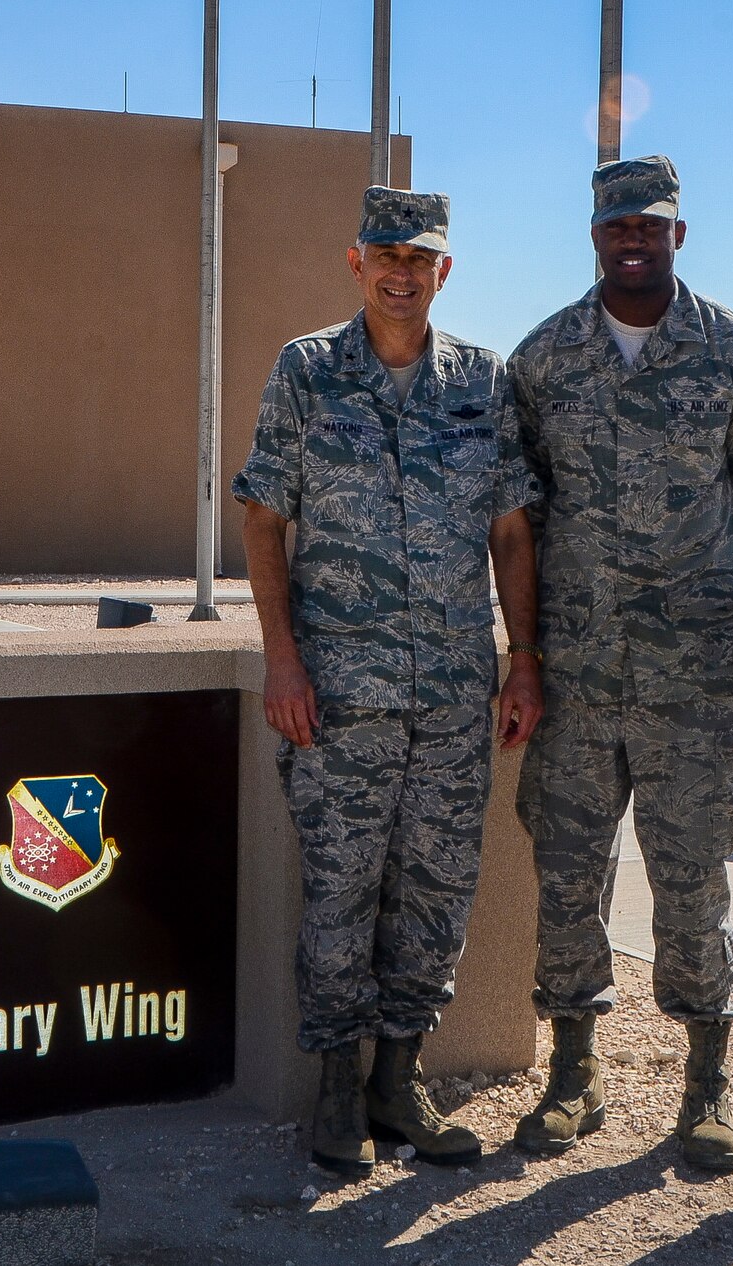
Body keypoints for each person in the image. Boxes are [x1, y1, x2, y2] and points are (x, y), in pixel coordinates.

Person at [232, 186, 544, 1177]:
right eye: (384, 254)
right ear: (354, 261)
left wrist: (521, 660)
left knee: (436, 891)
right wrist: (281, 657)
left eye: (419, 257)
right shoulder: (306, 371)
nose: (401, 271)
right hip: (338, 696)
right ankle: (334, 1091)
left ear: (442, 270)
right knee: (339, 893)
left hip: (453, 696)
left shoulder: (481, 381)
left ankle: (396, 1081)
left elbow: (508, 529)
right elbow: (262, 519)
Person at [507, 156, 733, 1169]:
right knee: (566, 876)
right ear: (593, 234)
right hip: (577, 680)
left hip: (689, 686)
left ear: (680, 233)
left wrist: (723, 627)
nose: (632, 238)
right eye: (616, 224)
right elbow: (520, 519)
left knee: (693, 884)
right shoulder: (544, 360)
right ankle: (571, 1075)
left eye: (651, 224)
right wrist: (527, 653)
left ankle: (705, 1087)